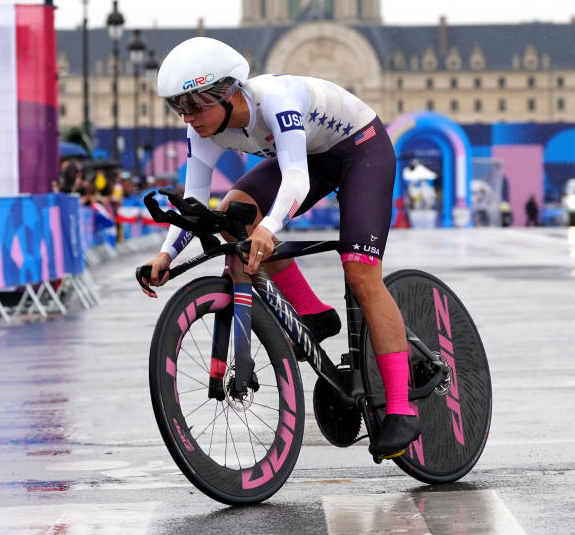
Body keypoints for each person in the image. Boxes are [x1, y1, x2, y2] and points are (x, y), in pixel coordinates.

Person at [143, 36, 421, 459]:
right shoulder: (201, 129)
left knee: (360, 272)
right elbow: (196, 202)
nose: (188, 116)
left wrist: (270, 227)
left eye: (195, 104)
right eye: (178, 106)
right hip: (312, 155)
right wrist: (166, 255)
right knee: (233, 212)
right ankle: (312, 312)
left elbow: (296, 179)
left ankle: (402, 408)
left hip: (359, 150)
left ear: (229, 91)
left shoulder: (276, 100)